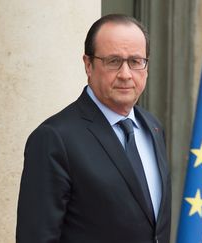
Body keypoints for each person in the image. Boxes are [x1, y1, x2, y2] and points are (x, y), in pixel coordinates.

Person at [16, 14, 171, 243]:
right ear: (88, 65)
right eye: (113, 61)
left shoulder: (153, 128)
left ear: (146, 66)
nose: (126, 74)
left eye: (136, 61)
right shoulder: (54, 138)